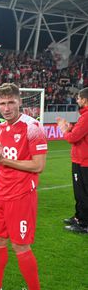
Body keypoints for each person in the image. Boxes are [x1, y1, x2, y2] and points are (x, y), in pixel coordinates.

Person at [0, 83, 47, 290]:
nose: (6, 108)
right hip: (1, 191)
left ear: (19, 102)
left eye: (11, 102)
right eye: (2, 103)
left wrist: (3, 159)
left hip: (21, 194)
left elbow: (38, 166)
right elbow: (3, 162)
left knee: (20, 245)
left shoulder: (32, 127)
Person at [57, 87, 88, 233]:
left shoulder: (86, 116)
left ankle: (84, 224)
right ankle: (79, 217)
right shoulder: (84, 116)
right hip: (81, 160)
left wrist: (64, 130)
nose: (77, 100)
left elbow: (73, 138)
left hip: (84, 162)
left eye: (78, 98)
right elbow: (78, 133)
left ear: (84, 100)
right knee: (80, 192)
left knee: (83, 193)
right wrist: (70, 128)